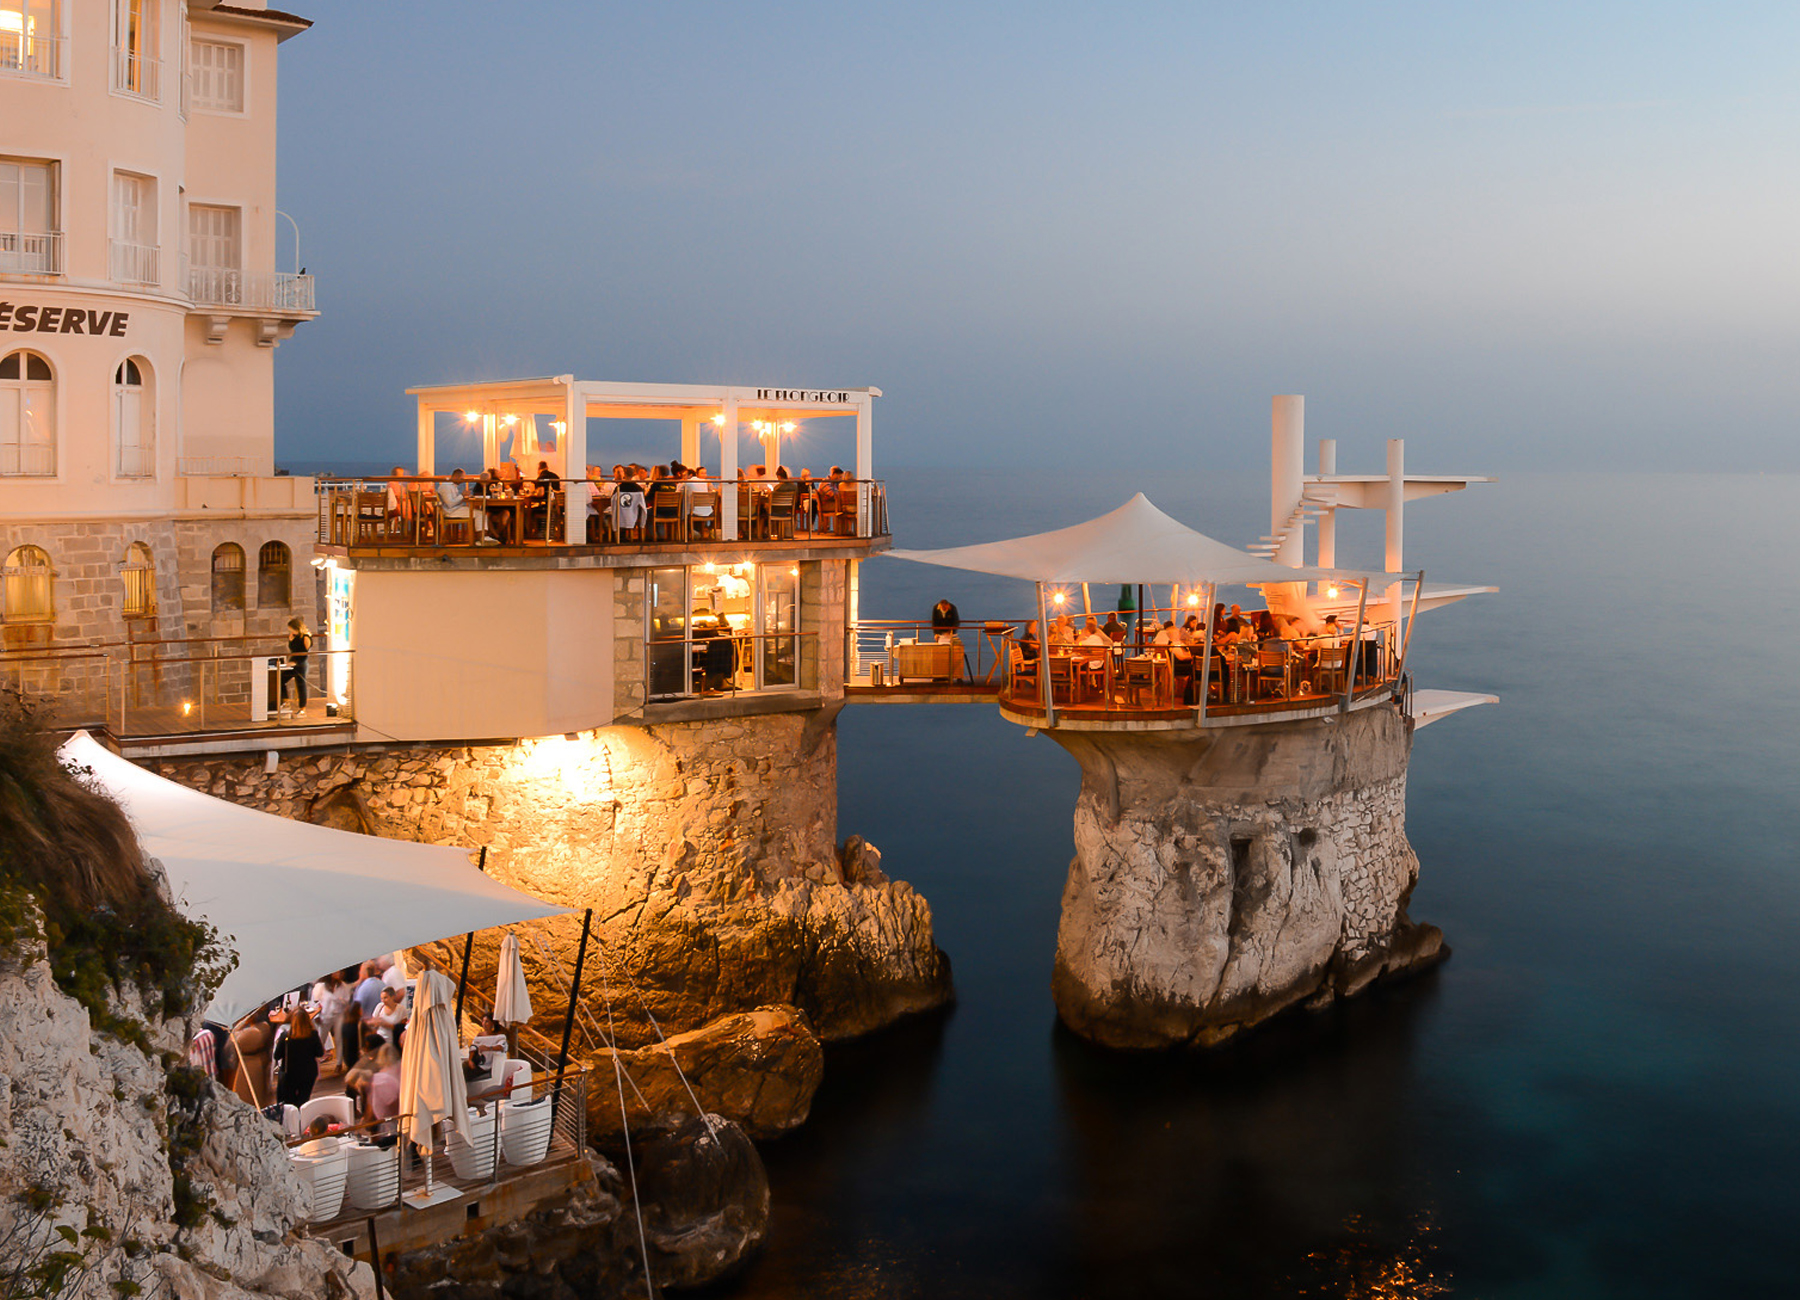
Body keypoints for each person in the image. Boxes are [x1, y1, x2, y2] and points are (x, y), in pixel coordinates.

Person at [275, 1005, 323, 1107]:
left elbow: (277, 1055)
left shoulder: (285, 1036)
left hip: (290, 1073)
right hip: (308, 1072)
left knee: (289, 1102)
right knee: (303, 1101)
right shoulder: (313, 1034)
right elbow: (320, 1053)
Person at [229, 1006, 276, 1108]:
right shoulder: (265, 1026)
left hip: (249, 1066)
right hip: (260, 1063)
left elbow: (234, 1037)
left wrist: (242, 1023)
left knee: (248, 1095)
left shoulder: (252, 1033)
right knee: (260, 1093)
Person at [311, 970, 351, 1075]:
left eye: (340, 972)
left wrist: (341, 1001)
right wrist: (317, 1015)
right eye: (337, 972)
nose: (339, 974)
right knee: (321, 1039)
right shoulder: (321, 986)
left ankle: (339, 1063)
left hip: (338, 1014)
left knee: (339, 1038)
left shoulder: (343, 986)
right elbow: (315, 1002)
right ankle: (315, 1064)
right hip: (325, 1015)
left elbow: (347, 1001)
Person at [282, 618, 312, 719]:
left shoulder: (305, 637)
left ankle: (302, 708)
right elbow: (293, 649)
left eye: (292, 629)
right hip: (292, 663)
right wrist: (290, 640)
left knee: (301, 685)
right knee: (281, 679)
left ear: (297, 628)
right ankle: (285, 701)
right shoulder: (293, 636)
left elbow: (304, 653)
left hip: (300, 664)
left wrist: (295, 662)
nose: (290, 632)